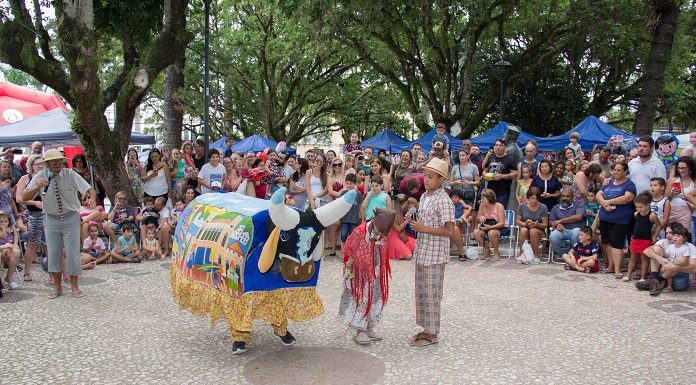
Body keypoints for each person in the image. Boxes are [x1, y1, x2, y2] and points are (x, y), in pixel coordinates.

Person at [23, 149, 96, 299]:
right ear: (47, 164)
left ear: (63, 161)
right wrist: (37, 187)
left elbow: (90, 189)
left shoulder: (70, 174)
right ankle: (57, 287)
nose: (57, 163)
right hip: (51, 218)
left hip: (70, 217)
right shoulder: (40, 176)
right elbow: (24, 196)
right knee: (54, 253)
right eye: (53, 161)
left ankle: (75, 287)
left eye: (59, 160)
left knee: (72, 253)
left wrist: (92, 198)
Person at [407, 158, 454, 347]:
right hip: (422, 252)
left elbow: (450, 231)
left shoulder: (444, 200)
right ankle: (426, 328)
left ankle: (432, 334)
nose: (426, 180)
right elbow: (425, 222)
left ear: (441, 179)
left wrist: (423, 227)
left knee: (432, 294)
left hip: (434, 255)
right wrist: (414, 219)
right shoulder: (425, 196)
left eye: (431, 176)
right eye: (425, 175)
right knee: (422, 293)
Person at [339, 208, 396, 345]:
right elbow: (349, 249)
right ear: (375, 222)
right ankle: (360, 330)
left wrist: (378, 242)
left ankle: (370, 326)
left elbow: (383, 247)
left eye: (383, 232)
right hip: (359, 272)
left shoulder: (381, 233)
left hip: (375, 270)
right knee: (361, 298)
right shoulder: (360, 231)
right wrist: (351, 263)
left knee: (375, 297)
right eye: (379, 230)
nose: (380, 234)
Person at [596, 162, 637, 279]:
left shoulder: (629, 184)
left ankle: (618, 270)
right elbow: (599, 194)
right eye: (614, 170)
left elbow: (627, 198)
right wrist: (604, 203)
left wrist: (609, 202)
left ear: (625, 171)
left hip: (620, 219)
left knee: (617, 244)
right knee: (607, 242)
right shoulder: (608, 182)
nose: (616, 172)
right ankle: (611, 266)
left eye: (619, 170)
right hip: (605, 217)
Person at [638, 222, 694, 295]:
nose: (668, 236)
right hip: (664, 269)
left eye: (671, 233)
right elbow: (646, 251)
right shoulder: (665, 242)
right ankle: (655, 282)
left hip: (679, 272)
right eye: (666, 233)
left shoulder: (689, 247)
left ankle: (653, 282)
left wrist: (675, 267)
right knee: (655, 252)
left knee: (679, 286)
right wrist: (659, 258)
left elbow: (694, 267)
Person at [15, 154, 46, 281]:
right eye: (37, 164)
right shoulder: (25, 178)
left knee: (49, 244)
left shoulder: (47, 177)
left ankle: (52, 273)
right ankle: (27, 272)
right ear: (31, 166)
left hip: (48, 214)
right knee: (32, 243)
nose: (40, 166)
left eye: (42, 164)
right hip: (34, 214)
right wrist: (34, 203)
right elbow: (19, 199)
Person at [625, 192, 661, 282]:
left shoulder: (652, 215)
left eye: (641, 207)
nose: (638, 209)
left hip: (646, 240)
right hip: (636, 239)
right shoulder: (636, 214)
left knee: (644, 259)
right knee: (632, 258)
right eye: (637, 207)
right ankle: (628, 276)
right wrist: (633, 235)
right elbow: (636, 225)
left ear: (647, 205)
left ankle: (643, 277)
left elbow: (659, 225)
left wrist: (654, 236)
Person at [472, 189, 509, 261]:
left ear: (489, 198)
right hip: (487, 227)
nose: (481, 200)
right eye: (481, 198)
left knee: (491, 232)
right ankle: (487, 250)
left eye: (483, 198)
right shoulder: (482, 205)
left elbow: (501, 223)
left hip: (501, 228)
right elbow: (477, 219)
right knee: (476, 232)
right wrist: (480, 218)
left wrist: (490, 227)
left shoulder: (499, 206)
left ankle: (496, 253)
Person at [549, 188, 586, 257]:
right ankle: (566, 255)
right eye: (563, 196)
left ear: (573, 197)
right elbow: (551, 221)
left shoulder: (579, 205)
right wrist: (557, 225)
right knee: (553, 235)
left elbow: (579, 217)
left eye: (568, 196)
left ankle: (575, 255)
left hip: (575, 230)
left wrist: (561, 221)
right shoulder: (556, 207)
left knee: (576, 231)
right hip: (562, 231)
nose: (565, 198)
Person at [482, 138, 518, 208]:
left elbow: (515, 173)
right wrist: (485, 175)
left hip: (503, 192)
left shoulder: (510, 159)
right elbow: (484, 169)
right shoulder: (491, 157)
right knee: (488, 209)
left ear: (505, 147)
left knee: (500, 210)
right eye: (496, 145)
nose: (498, 147)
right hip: (490, 190)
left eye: (500, 145)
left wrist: (502, 176)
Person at [666, 156, 696, 236]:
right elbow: (665, 198)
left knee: (685, 235)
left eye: (684, 168)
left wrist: (688, 199)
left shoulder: (694, 182)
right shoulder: (673, 180)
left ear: (690, 168)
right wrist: (671, 194)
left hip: (687, 212)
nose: (681, 170)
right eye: (679, 168)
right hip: (672, 211)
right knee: (671, 235)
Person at [515, 187, 549, 258]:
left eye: (536, 198)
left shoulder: (543, 207)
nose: (534, 200)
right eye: (532, 198)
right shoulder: (522, 206)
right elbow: (517, 220)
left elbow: (545, 224)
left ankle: (536, 255)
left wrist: (537, 224)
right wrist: (525, 224)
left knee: (533, 231)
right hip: (526, 227)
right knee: (524, 230)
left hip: (539, 230)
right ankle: (521, 253)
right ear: (528, 197)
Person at [339, 173, 363, 245]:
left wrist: (362, 218)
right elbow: (340, 206)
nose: (349, 185)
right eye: (347, 183)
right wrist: (338, 218)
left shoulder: (358, 194)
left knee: (353, 237)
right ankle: (344, 254)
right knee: (343, 236)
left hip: (354, 220)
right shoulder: (343, 193)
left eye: (351, 184)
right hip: (344, 219)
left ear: (355, 184)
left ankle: (352, 254)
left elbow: (360, 206)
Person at [0, 211, 21, 290]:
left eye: (5, 221)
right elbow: (4, 237)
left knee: (16, 251)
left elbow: (15, 235)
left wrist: (15, 243)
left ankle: (9, 277)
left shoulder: (10, 227)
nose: (3, 223)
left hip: (9, 248)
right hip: (1, 248)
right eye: (1, 222)